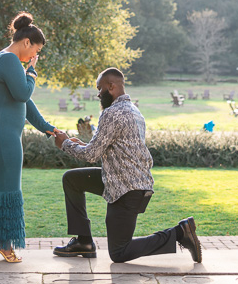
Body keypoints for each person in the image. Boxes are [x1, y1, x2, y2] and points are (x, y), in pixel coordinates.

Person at [50, 68, 203, 265]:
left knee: (119, 252)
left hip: (127, 190)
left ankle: (180, 233)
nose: (98, 94)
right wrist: (79, 145)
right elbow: (103, 148)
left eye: (100, 88)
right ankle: (83, 242)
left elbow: (91, 155)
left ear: (111, 87)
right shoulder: (134, 111)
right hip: (125, 182)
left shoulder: (112, 113)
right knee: (72, 180)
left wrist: (64, 144)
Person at [0, 12, 59, 263]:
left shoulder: (5, 59)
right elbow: (23, 93)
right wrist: (31, 72)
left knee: (0, 187)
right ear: (26, 43)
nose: (35, 56)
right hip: (1, 133)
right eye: (36, 50)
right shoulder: (11, 60)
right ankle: (4, 243)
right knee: (9, 188)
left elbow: (23, 101)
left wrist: (45, 127)